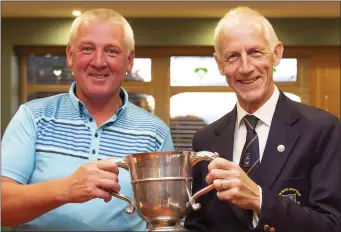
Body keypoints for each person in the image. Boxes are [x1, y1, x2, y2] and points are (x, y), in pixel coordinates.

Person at [1, 9, 174, 231]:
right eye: (87, 49)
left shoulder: (155, 132)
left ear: (129, 61)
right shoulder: (33, 117)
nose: (99, 61)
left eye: (111, 51)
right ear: (70, 56)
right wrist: (66, 189)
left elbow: (165, 220)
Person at [184, 6, 341, 232]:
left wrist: (260, 200)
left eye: (255, 52)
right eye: (233, 56)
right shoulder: (205, 140)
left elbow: (332, 224)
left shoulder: (322, 129)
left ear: (276, 54)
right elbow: (197, 224)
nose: (246, 68)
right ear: (219, 64)